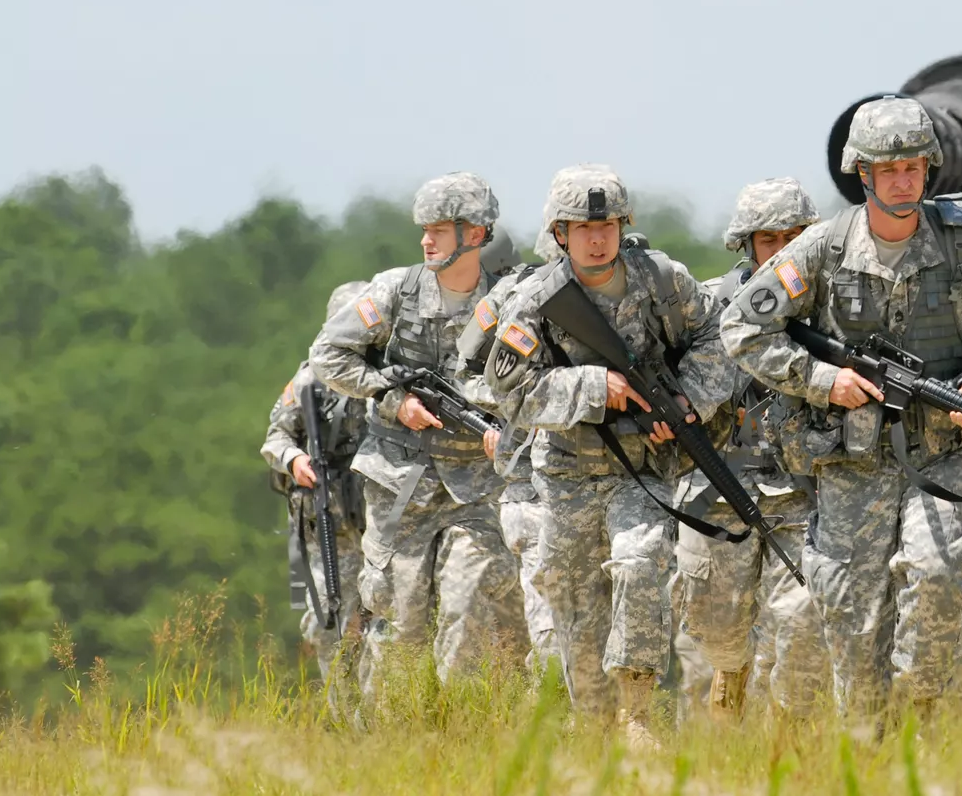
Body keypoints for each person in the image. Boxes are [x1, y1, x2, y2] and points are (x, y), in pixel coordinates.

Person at [721, 95, 962, 718]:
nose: (904, 181)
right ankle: (866, 744)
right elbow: (742, 329)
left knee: (939, 574)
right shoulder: (821, 250)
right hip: (851, 463)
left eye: (914, 168)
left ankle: (920, 716)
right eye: (889, 170)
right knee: (852, 619)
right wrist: (821, 379)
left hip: (940, 454)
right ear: (863, 173)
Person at [484, 164, 730, 747]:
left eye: (607, 226)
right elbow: (510, 391)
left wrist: (686, 400)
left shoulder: (663, 280)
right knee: (575, 604)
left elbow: (721, 336)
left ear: (623, 227)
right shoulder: (536, 300)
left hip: (640, 467)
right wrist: (595, 387)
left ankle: (636, 714)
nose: (597, 239)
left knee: (641, 563)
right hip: (566, 472)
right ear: (560, 233)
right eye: (583, 228)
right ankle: (593, 726)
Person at [307, 173, 526, 699]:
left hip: (479, 487)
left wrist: (511, 430)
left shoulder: (511, 300)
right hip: (400, 483)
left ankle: (458, 726)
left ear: (475, 234)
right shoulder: (394, 291)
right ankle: (395, 731)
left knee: (468, 604)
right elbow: (327, 355)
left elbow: (537, 378)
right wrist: (392, 398)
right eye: (424, 230)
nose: (426, 241)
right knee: (399, 621)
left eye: (438, 231)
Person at [675, 177, 827, 720]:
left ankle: (785, 734)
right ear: (747, 245)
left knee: (803, 620)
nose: (782, 251)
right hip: (719, 487)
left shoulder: (832, 309)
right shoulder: (707, 305)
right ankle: (732, 668)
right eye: (769, 240)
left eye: (793, 237)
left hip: (805, 491)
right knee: (715, 628)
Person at [453, 231, 559, 678]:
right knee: (551, 628)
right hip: (531, 483)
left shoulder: (631, 289)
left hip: (616, 478)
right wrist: (511, 409)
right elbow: (466, 373)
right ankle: (551, 711)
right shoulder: (515, 293)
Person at [261, 280, 371, 683]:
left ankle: (390, 708)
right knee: (330, 621)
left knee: (390, 620)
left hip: (386, 520)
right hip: (330, 521)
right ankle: (344, 709)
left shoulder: (387, 376)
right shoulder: (311, 379)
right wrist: (295, 461)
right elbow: (276, 438)